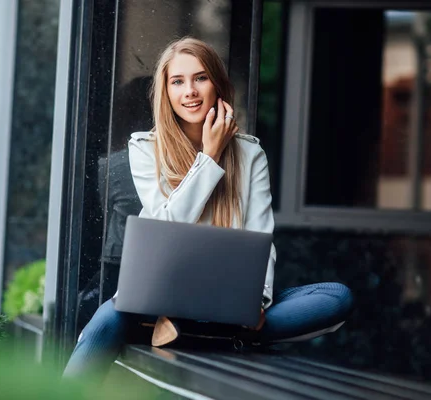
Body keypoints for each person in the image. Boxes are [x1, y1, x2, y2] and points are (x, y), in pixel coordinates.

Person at [63, 37, 353, 381]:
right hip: (157, 297)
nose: (190, 91)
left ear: (217, 84)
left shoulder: (249, 154)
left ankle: (192, 328)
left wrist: (255, 305)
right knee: (107, 319)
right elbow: (168, 227)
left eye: (200, 78)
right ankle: (210, 331)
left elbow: (260, 235)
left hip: (227, 301)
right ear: (166, 92)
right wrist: (209, 158)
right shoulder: (145, 149)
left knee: (336, 298)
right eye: (178, 81)